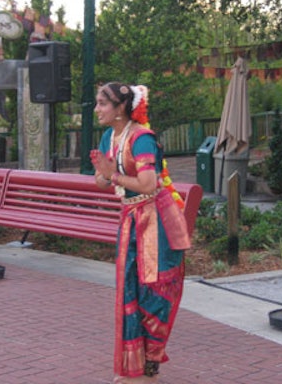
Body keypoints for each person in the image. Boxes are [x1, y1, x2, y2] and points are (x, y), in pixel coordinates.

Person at [90, 82, 191, 384]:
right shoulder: (111, 135)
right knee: (130, 291)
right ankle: (134, 370)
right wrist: (105, 175)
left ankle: (150, 371)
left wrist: (113, 174)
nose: (97, 109)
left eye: (102, 104)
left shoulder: (143, 138)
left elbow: (149, 184)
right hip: (131, 219)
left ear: (120, 108)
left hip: (156, 221)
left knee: (154, 295)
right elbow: (102, 181)